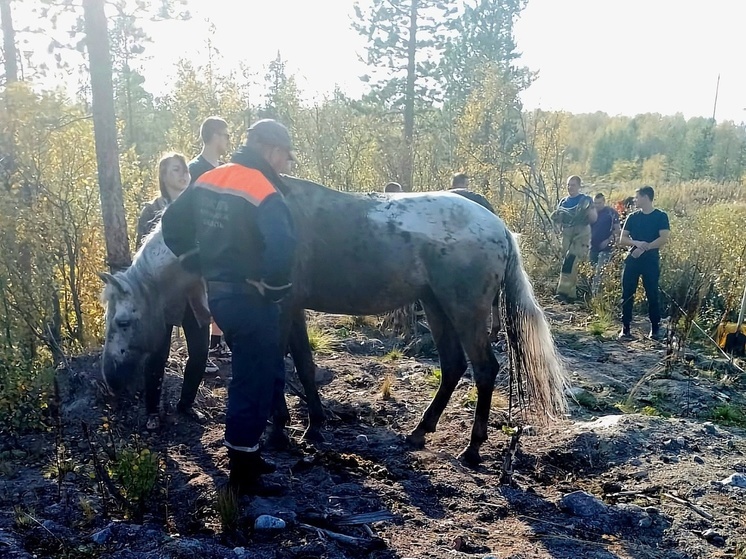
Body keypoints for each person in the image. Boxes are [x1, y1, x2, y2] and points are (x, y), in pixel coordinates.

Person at [161, 119, 297, 494]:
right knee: (252, 380)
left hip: (220, 297)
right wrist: (272, 289)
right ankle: (242, 474)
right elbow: (284, 244)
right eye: (286, 156)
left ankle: (249, 456)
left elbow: (171, 223)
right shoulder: (262, 186)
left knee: (253, 374)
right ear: (270, 150)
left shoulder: (210, 178)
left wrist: (197, 262)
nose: (286, 164)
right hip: (251, 299)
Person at [136, 153, 211, 431]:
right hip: (162, 294)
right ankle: (152, 411)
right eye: (176, 170)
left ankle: (186, 405)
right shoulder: (151, 210)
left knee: (201, 352)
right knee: (158, 355)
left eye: (185, 170)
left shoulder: (198, 209)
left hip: (193, 290)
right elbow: (142, 254)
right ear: (163, 175)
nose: (183, 175)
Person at [188, 116, 232, 360]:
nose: (228, 140)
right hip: (202, 244)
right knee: (203, 298)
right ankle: (203, 351)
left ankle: (216, 343)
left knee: (220, 292)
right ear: (215, 136)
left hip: (223, 243)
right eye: (226, 135)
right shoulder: (193, 170)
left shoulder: (225, 170)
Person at [618, 186, 670, 341]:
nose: (635, 200)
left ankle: (655, 328)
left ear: (646, 197)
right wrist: (637, 243)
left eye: (637, 197)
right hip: (633, 259)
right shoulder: (633, 217)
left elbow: (663, 238)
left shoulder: (660, 216)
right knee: (627, 293)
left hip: (651, 261)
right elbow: (622, 239)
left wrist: (645, 248)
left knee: (652, 294)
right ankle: (625, 327)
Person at [551, 175, 597, 302]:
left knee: (572, 262)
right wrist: (557, 225)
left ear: (579, 186)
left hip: (581, 234)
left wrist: (588, 211)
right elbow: (558, 220)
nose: (570, 187)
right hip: (567, 235)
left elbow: (593, 218)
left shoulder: (585, 200)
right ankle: (572, 295)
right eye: (568, 185)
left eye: (573, 185)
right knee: (568, 263)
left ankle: (563, 293)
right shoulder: (564, 202)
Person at [589, 193, 621, 295]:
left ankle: (597, 296)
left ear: (603, 202)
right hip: (592, 247)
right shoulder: (591, 212)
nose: (597, 205)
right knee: (591, 272)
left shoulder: (611, 213)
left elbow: (617, 230)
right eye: (595, 203)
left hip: (606, 248)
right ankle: (589, 295)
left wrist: (608, 241)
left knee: (600, 273)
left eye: (599, 203)